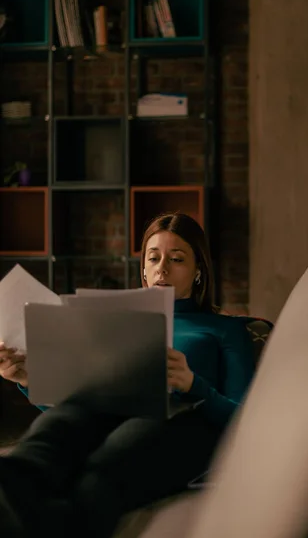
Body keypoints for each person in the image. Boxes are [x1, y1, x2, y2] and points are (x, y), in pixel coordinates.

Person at [0, 212, 255, 538]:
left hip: (182, 417)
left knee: (100, 473)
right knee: (47, 441)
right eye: (154, 258)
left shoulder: (228, 330)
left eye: (176, 259)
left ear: (198, 272)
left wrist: (195, 384)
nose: (162, 267)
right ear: (144, 272)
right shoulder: (120, 322)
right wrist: (28, 379)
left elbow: (246, 419)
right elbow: (79, 405)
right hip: (110, 405)